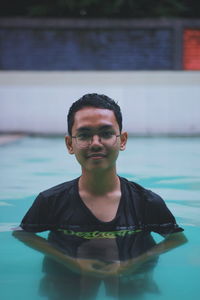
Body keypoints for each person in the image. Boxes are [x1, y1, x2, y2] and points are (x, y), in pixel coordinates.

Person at [13, 93, 187, 298]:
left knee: (127, 290)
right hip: (67, 276)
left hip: (130, 275)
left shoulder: (146, 202)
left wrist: (131, 264)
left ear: (122, 140)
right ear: (70, 144)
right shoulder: (51, 201)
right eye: (84, 135)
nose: (95, 143)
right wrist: (72, 263)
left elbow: (176, 239)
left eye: (106, 133)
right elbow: (23, 233)